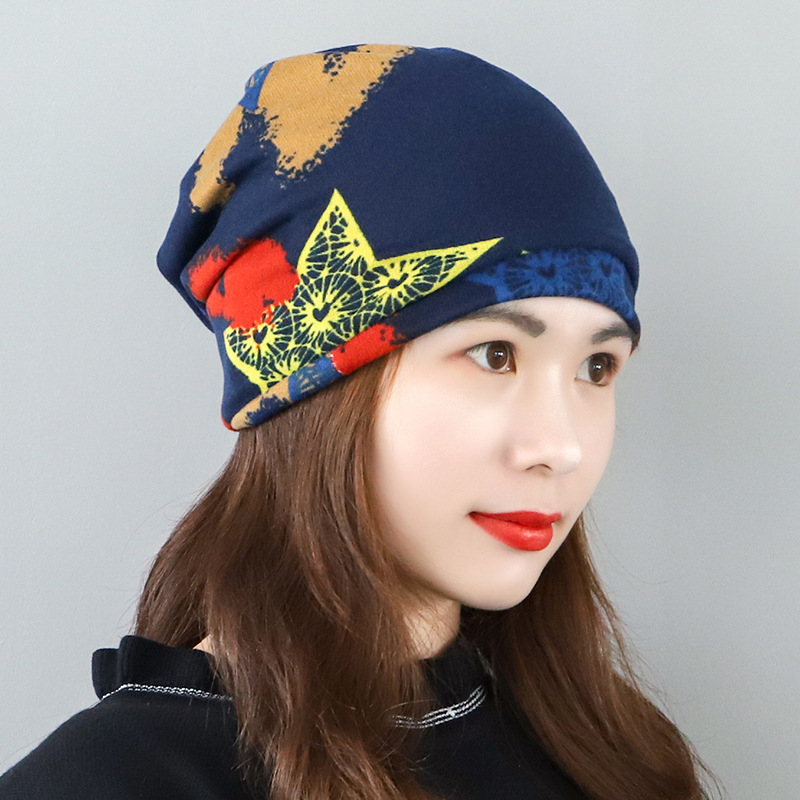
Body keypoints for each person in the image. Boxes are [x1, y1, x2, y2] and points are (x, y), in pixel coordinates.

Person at [0, 44, 716, 799]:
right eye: (495, 355)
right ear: (309, 389)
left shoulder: (609, 754)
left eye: (596, 368)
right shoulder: (109, 783)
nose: (561, 447)